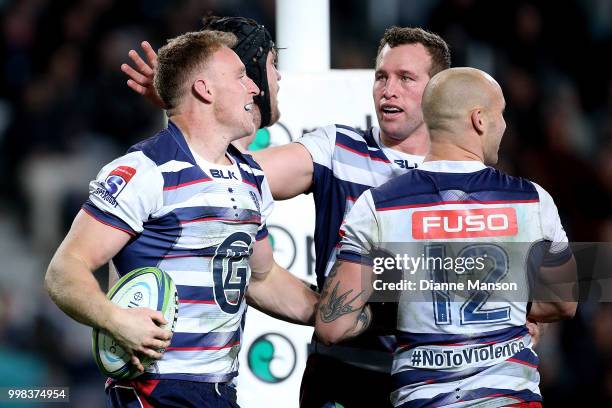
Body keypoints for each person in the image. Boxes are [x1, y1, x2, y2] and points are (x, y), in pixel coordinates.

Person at [123, 23, 540, 407]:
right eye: (381, 77)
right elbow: (226, 177)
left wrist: (516, 321)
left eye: (405, 79)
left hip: (440, 379)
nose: (388, 90)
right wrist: (187, 109)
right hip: (345, 371)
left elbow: (529, 288)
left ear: (437, 93)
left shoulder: (475, 182)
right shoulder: (337, 149)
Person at [45, 30, 318, 407]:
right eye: (241, 76)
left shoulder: (250, 177)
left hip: (220, 389)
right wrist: (114, 318)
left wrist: (334, 315)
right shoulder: (146, 170)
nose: (254, 88)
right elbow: (64, 269)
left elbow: (264, 277)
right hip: (156, 388)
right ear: (204, 89)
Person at [315, 67, 578, 407]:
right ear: (479, 119)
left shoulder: (377, 207)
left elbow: (332, 326)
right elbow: (564, 302)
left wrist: (407, 308)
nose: (505, 126)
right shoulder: (532, 200)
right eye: (501, 114)